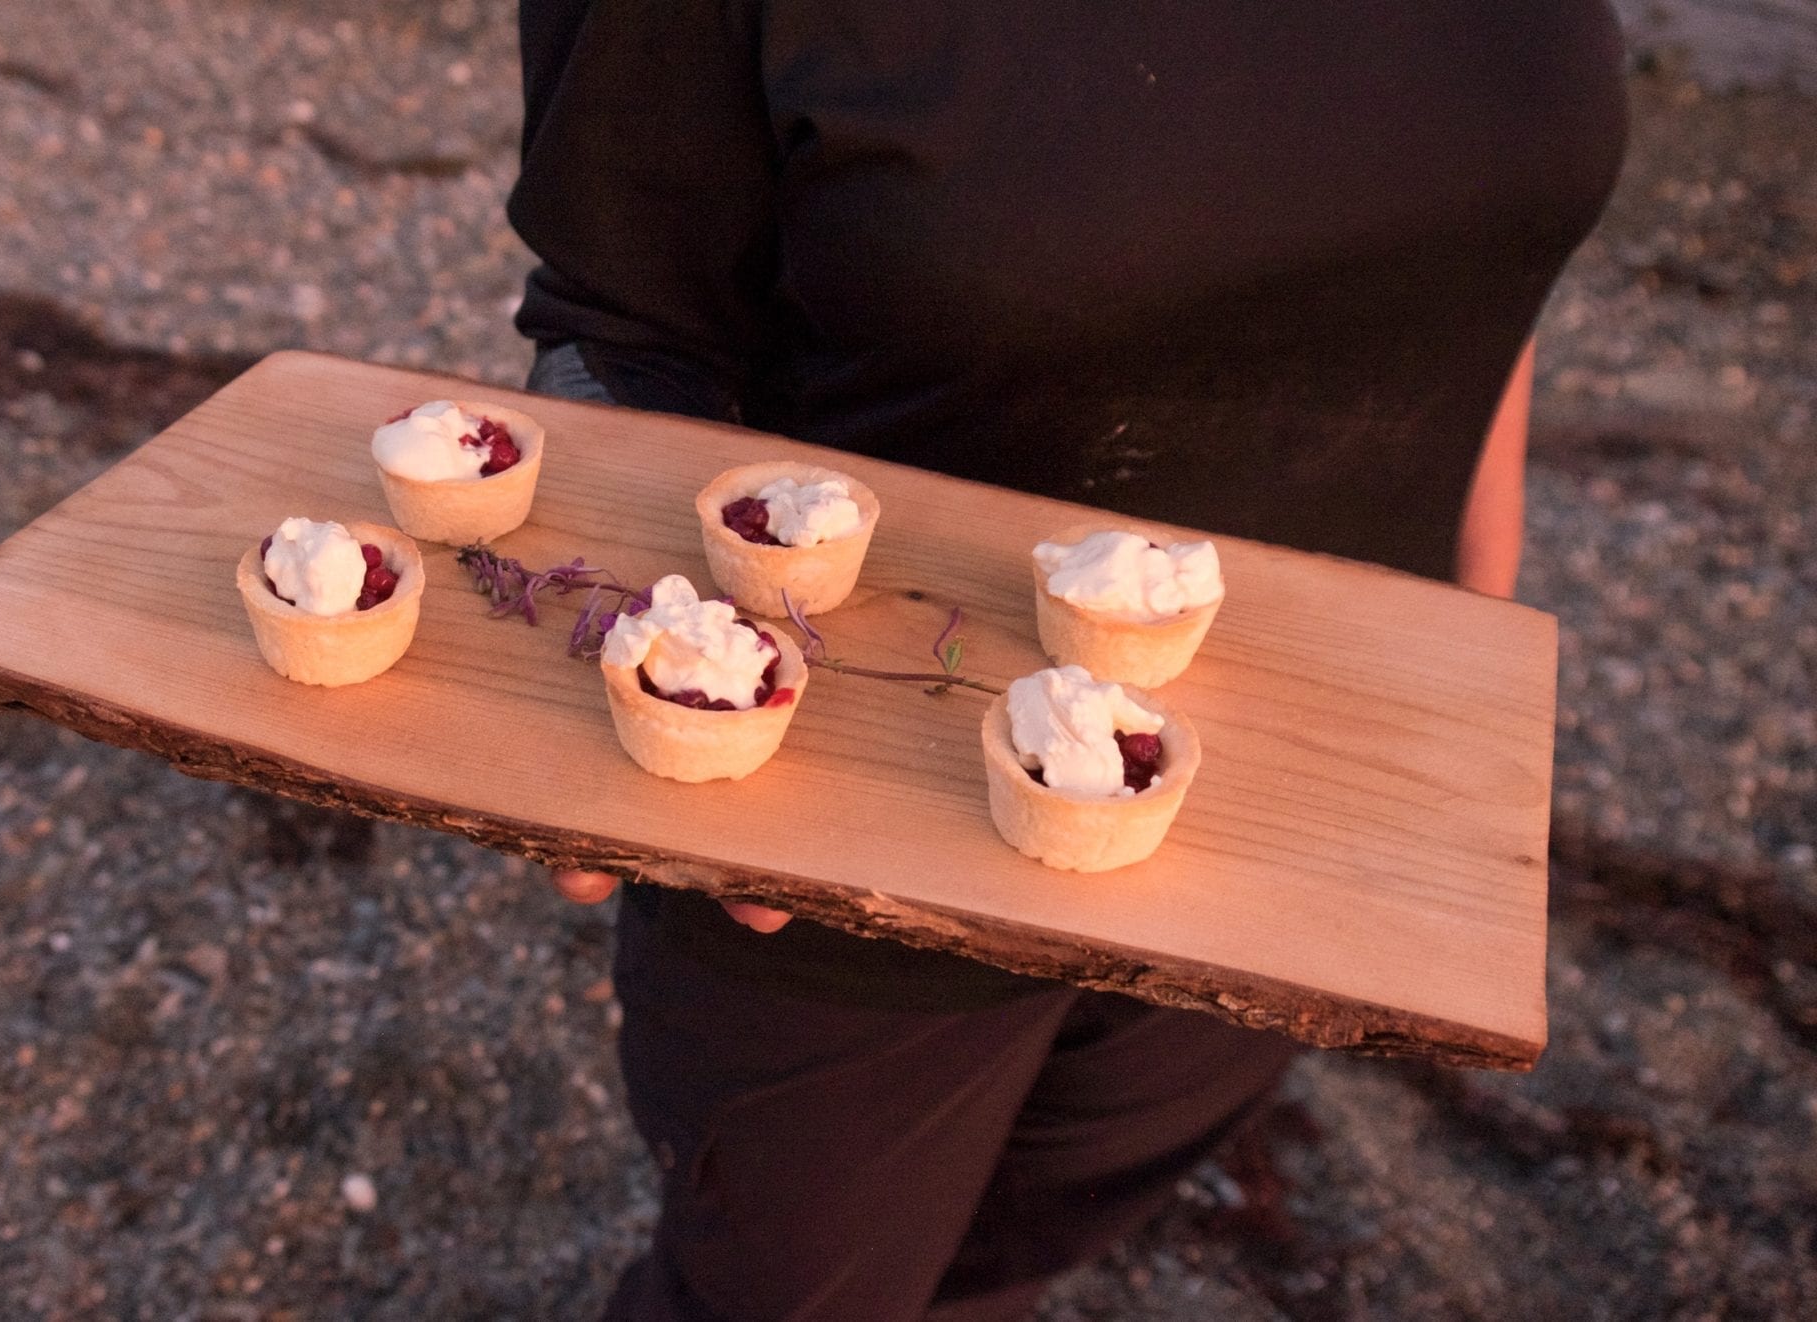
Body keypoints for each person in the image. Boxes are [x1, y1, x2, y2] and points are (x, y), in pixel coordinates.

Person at [504, 3, 1629, 1318]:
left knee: (1015, 1257)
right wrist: (674, 680)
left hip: (1305, 822)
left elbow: (1476, 209)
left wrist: (1475, 597)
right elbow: (623, 321)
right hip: (861, 843)